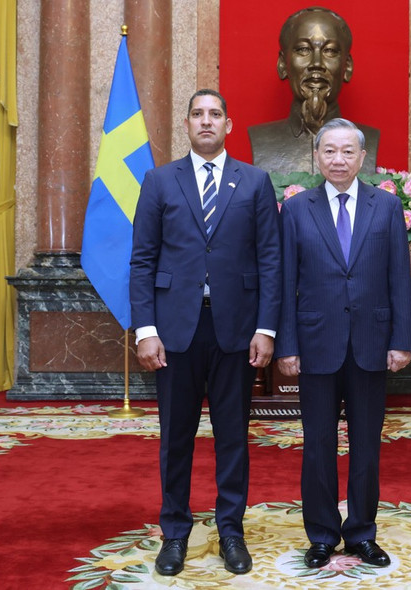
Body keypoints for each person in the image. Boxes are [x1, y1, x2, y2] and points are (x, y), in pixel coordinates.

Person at [130, 89, 281, 576]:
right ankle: (175, 532)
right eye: (198, 114)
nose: (206, 121)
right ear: (188, 125)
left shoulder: (256, 182)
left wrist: (266, 328)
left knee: (233, 435)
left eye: (215, 114)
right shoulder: (158, 181)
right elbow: (142, 260)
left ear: (229, 125)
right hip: (174, 331)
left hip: (236, 329)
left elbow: (270, 261)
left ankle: (231, 532)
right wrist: (145, 330)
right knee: (176, 436)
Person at [275, 118, 411, 569]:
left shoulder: (386, 207)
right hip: (316, 344)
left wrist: (402, 340)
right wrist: (287, 346)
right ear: (316, 157)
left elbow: (399, 278)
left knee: (366, 445)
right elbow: (285, 283)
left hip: (372, 344)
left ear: (361, 157)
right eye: (329, 151)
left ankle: (360, 533)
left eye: (347, 151)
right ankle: (320, 534)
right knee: (317, 443)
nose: (338, 159)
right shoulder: (297, 210)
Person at [247, 7, 379, 175]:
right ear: (282, 64)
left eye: (330, 51)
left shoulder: (369, 139)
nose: (317, 63)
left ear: (347, 67)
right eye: (303, 49)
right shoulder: (262, 140)